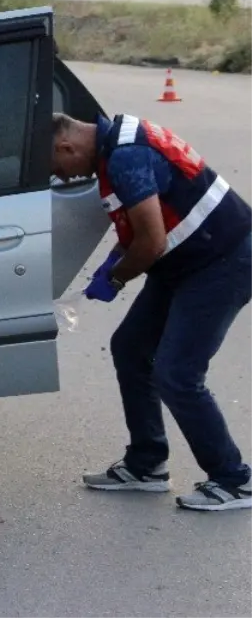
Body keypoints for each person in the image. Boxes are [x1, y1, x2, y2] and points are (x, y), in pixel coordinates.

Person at [51, 111, 252, 511]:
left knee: (177, 372)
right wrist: (111, 262)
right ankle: (147, 464)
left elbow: (152, 241)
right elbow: (142, 225)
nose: (64, 177)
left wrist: (116, 279)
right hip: (187, 258)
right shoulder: (116, 143)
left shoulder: (125, 157)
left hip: (223, 260)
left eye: (58, 168)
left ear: (67, 147)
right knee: (130, 347)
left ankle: (234, 479)